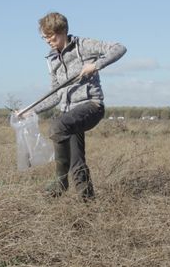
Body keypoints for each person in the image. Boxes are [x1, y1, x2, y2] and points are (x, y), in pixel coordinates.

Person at [24, 12, 126, 199]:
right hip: (69, 114)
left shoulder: (83, 45)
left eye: (51, 36)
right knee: (76, 162)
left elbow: (119, 48)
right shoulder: (53, 60)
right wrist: (31, 110)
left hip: (90, 106)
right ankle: (88, 205)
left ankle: (60, 182)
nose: (47, 40)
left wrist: (96, 65)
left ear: (62, 31)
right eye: (44, 37)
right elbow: (55, 94)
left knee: (56, 126)